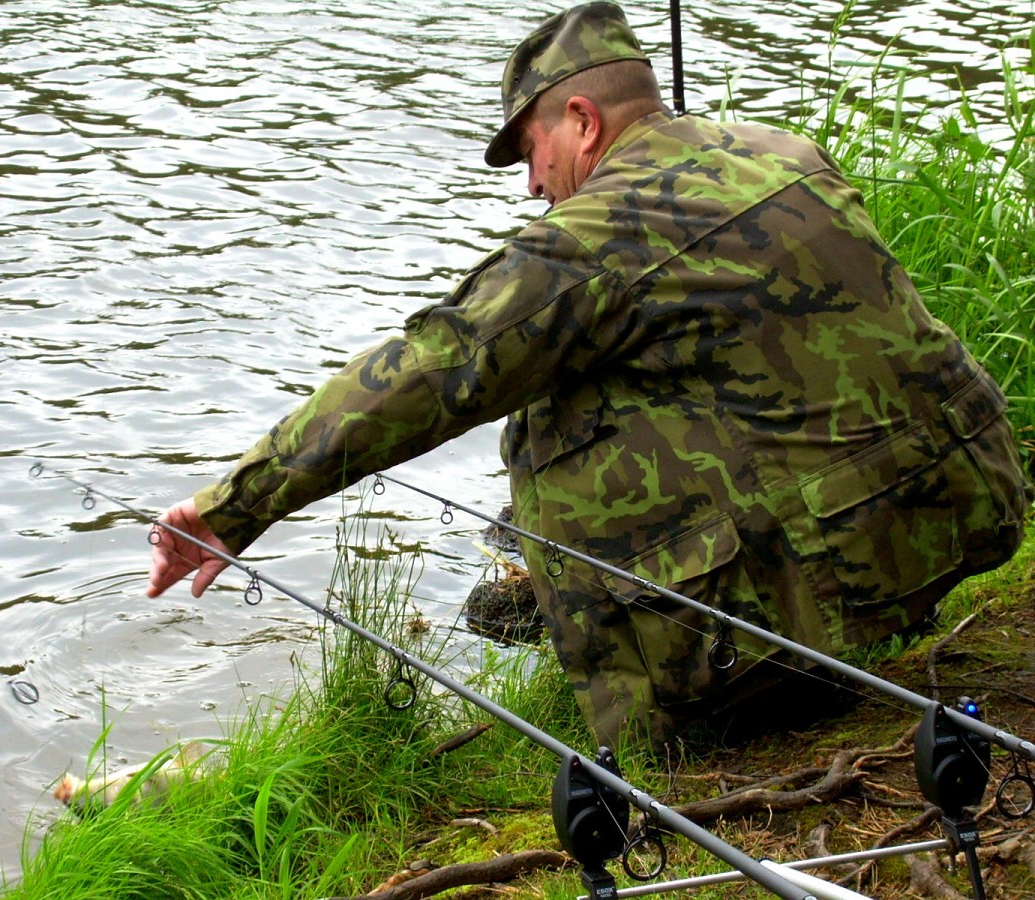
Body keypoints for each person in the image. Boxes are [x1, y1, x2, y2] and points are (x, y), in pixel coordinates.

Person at [147, 2, 1031, 746]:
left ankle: (687, 670)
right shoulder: (783, 151)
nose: (534, 183)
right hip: (956, 513)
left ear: (583, 119)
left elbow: (434, 367)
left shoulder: (603, 232)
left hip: (830, 595)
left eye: (533, 151)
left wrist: (239, 504)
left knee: (543, 416)